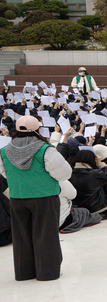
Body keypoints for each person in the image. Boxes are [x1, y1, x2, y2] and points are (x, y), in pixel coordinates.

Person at [1, 115, 73, 281]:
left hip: (18, 197)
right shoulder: (44, 150)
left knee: (21, 237)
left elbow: (4, 172)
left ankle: (24, 272)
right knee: (46, 235)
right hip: (44, 197)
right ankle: (47, 272)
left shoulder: (4, 151)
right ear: (37, 130)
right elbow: (64, 173)